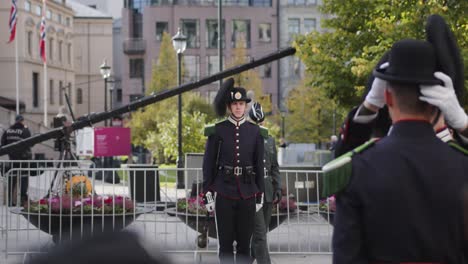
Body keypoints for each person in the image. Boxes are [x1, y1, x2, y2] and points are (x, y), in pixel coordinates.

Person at [332, 39, 468, 263]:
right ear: (439, 103)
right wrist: (463, 123)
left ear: (386, 97)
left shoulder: (360, 169)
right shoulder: (462, 167)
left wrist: (369, 106)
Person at [202, 78, 265, 264]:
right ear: (229, 107)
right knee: (226, 245)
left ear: (246, 106)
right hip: (223, 191)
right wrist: (207, 193)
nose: (238, 107)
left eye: (241, 104)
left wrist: (259, 192)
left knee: (245, 244)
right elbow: (208, 164)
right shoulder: (217, 131)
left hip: (247, 193)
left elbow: (258, 165)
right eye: (235, 104)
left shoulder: (255, 132)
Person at [248, 102, 282, 264]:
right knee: (260, 234)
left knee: (260, 234)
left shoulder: (269, 140)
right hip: (253, 191)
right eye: (256, 123)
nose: (259, 126)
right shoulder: (245, 140)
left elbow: (275, 166)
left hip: (268, 190)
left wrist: (277, 187)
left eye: (261, 123)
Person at [1, 115, 32, 206]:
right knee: (24, 179)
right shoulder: (25, 130)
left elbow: (3, 145)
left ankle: (10, 201)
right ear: (22, 121)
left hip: (12, 160)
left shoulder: (7, 131)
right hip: (23, 160)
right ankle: (22, 201)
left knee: (12, 180)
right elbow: (30, 143)